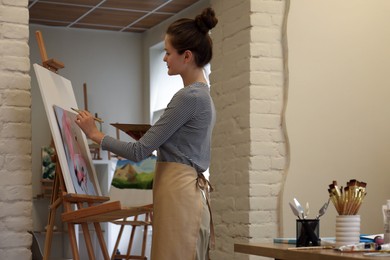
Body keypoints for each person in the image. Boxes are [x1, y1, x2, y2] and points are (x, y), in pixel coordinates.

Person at [74, 7, 218, 260]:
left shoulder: (189, 96)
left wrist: (94, 134)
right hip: (181, 194)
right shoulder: (201, 95)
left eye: (168, 52)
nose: (164, 58)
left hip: (181, 197)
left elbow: (139, 151)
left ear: (186, 56)